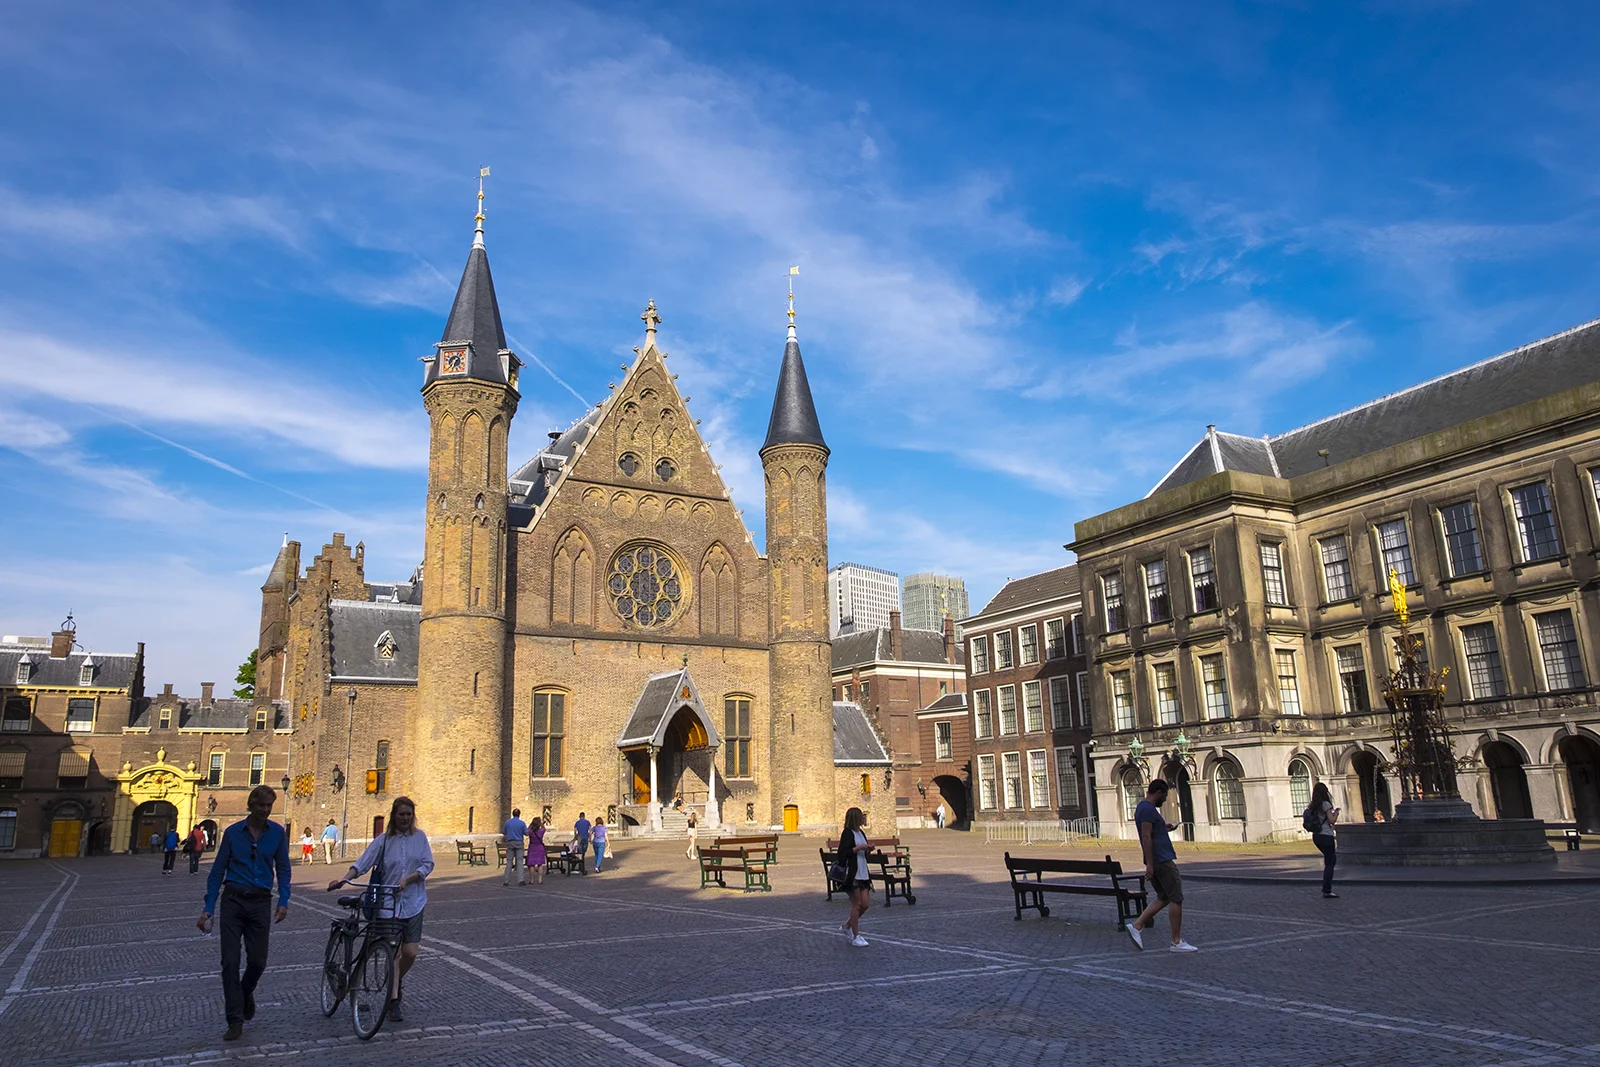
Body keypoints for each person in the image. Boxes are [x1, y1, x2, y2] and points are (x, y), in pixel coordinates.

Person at [196, 784, 292, 1042]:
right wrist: (208, 908)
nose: (265, 810)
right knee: (229, 961)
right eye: (260, 805)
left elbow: (283, 867)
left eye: (269, 806)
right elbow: (217, 872)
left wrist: (284, 899)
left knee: (258, 961)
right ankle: (234, 1019)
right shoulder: (232, 833)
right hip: (233, 901)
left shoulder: (278, 834)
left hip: (261, 902)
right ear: (251, 805)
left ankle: (245, 991)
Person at [329, 796, 433, 1024]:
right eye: (401, 814)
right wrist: (344, 880)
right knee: (393, 953)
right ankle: (393, 1000)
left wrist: (411, 878)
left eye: (408, 814)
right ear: (394, 816)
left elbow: (428, 864)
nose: (405, 818)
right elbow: (362, 864)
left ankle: (394, 981)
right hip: (388, 904)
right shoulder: (384, 841)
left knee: (411, 952)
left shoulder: (420, 837)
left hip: (414, 901)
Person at [1126, 779, 1196, 953]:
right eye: (1163, 796)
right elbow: (1146, 837)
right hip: (1161, 860)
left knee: (1164, 897)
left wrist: (1165, 827)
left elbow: (1151, 831)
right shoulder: (1148, 810)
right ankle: (1176, 941)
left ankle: (1137, 926)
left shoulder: (1143, 808)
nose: (1164, 800)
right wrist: (1150, 865)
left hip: (1156, 860)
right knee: (1176, 898)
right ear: (1158, 793)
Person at [835, 807, 873, 947]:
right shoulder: (848, 833)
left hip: (863, 871)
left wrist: (868, 849)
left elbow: (864, 854)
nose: (863, 818)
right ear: (855, 818)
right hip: (853, 873)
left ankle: (847, 926)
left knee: (865, 904)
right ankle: (856, 936)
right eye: (861, 816)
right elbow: (842, 853)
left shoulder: (861, 832)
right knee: (856, 904)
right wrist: (858, 848)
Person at [1310, 782, 1340, 898]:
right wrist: (1336, 813)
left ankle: (1326, 887)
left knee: (1330, 859)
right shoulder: (1325, 804)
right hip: (1326, 835)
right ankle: (1327, 889)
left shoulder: (1312, 805)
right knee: (1330, 862)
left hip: (1316, 836)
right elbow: (1331, 820)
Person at [503, 808, 528, 886]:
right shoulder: (522, 823)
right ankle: (521, 880)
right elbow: (526, 833)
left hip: (510, 842)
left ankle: (506, 880)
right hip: (519, 842)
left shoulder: (507, 822)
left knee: (509, 862)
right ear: (519, 814)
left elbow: (504, 832)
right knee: (520, 862)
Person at [527, 817, 547, 885]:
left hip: (532, 847)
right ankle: (540, 880)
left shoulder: (530, 831)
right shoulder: (541, 831)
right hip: (539, 847)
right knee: (540, 864)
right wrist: (541, 824)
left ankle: (531, 880)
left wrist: (531, 824)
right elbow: (544, 829)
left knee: (531, 864)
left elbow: (527, 829)